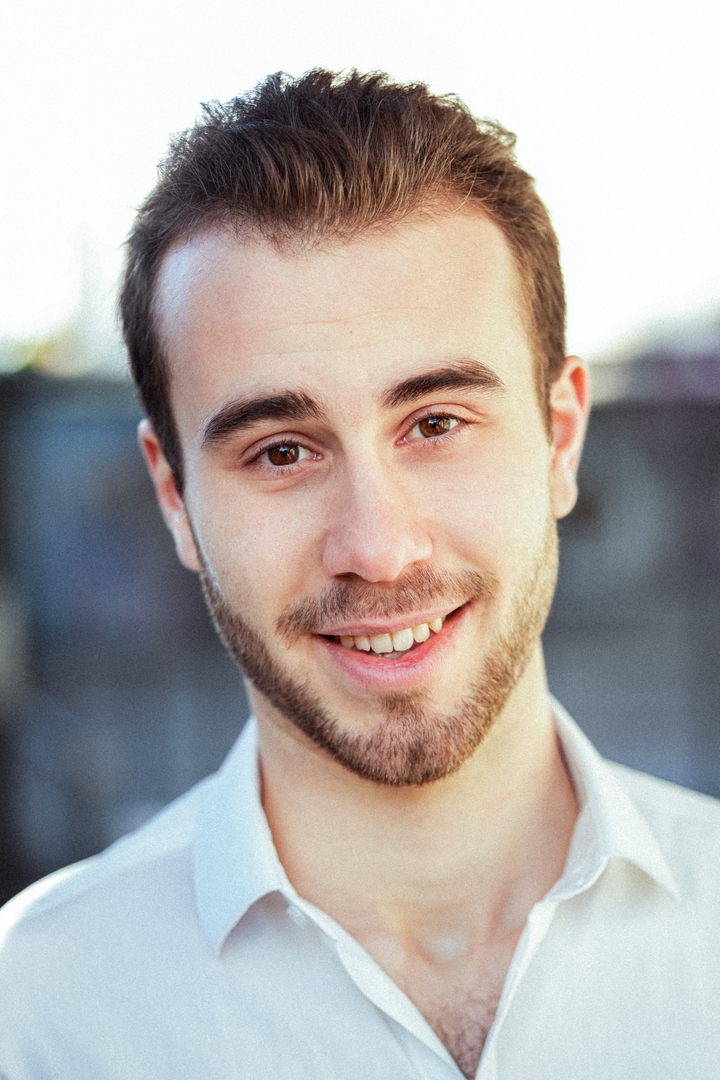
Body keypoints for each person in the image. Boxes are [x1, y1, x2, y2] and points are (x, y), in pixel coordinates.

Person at [1, 69, 718, 1080]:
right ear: (174, 497)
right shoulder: (37, 1012)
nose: (378, 548)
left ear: (560, 438)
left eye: (436, 424)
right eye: (281, 452)